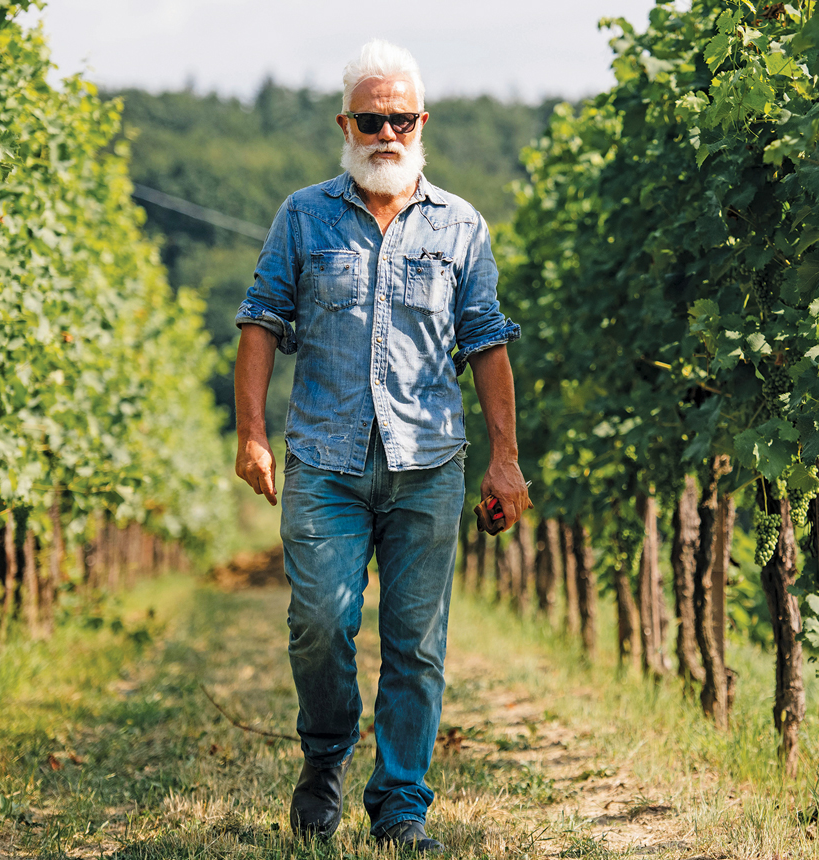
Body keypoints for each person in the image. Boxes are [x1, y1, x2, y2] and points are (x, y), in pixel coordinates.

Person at [232, 38, 529, 854]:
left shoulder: (461, 226)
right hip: (324, 461)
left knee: (416, 644)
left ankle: (400, 804)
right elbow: (260, 321)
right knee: (321, 623)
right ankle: (324, 760)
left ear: (422, 122)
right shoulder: (304, 216)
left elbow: (487, 343)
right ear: (347, 122)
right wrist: (252, 434)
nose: (387, 132)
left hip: (428, 463)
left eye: (401, 118)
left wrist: (504, 459)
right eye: (373, 118)